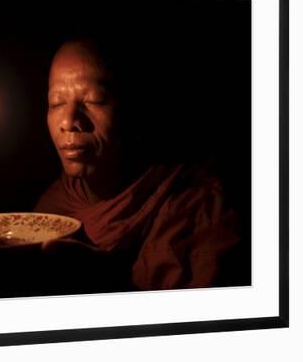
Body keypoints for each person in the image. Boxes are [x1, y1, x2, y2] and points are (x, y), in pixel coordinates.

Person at [35, 38, 247, 292]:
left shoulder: (193, 206)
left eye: (94, 100)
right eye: (57, 102)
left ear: (130, 107)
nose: (69, 121)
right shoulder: (51, 208)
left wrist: (106, 283)